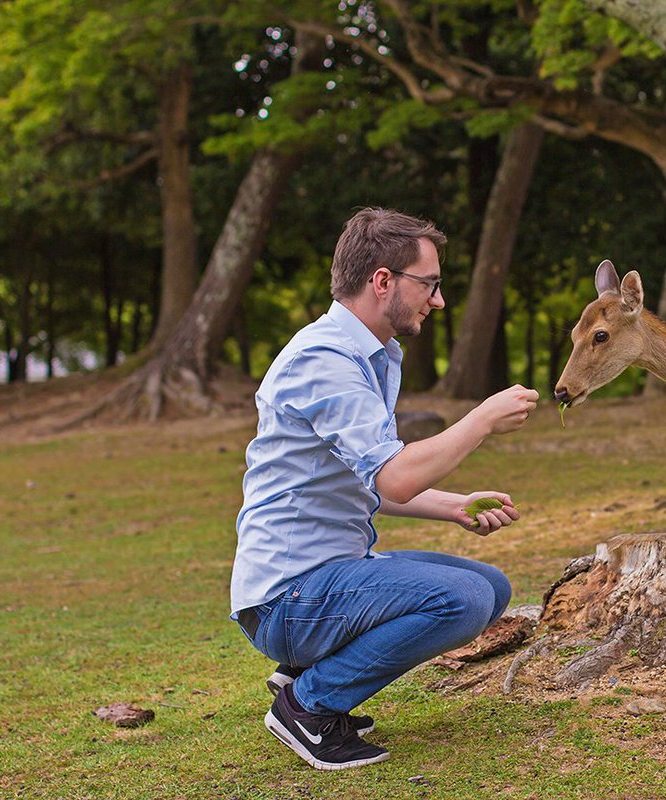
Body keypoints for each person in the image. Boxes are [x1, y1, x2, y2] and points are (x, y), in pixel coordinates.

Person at [230, 207, 539, 770]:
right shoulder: (324, 360)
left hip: (324, 577)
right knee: (461, 600)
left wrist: (453, 506)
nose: (438, 299)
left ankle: (306, 675)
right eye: (430, 283)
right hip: (288, 597)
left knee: (488, 587)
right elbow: (394, 473)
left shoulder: (369, 355)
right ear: (382, 280)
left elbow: (373, 478)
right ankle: (310, 704)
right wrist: (481, 420)